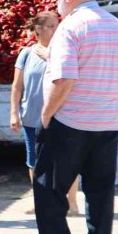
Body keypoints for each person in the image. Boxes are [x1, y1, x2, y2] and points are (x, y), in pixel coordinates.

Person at [29, 0, 118, 234]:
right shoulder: (117, 26)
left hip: (70, 123)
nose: (57, 3)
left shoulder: (71, 27)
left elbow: (64, 79)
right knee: (100, 193)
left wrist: (47, 115)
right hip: (106, 123)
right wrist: (110, 107)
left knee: (48, 190)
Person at [10, 11, 80, 215]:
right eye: (51, 26)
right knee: (34, 161)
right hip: (32, 117)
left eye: (56, 25)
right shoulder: (25, 53)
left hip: (61, 116)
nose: (55, 29)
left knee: (66, 160)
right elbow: (17, 87)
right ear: (38, 29)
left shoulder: (64, 51)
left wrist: (51, 57)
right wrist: (14, 113)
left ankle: (72, 202)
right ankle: (40, 201)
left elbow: (70, 78)